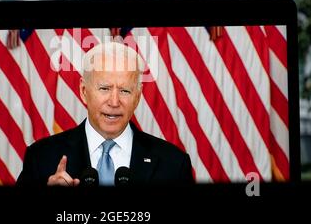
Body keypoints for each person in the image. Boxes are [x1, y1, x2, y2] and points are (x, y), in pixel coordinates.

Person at [16, 41, 193, 186]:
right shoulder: (41, 157)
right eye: (104, 88)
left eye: (124, 91)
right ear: (84, 91)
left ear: (137, 97)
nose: (114, 102)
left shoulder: (173, 163)